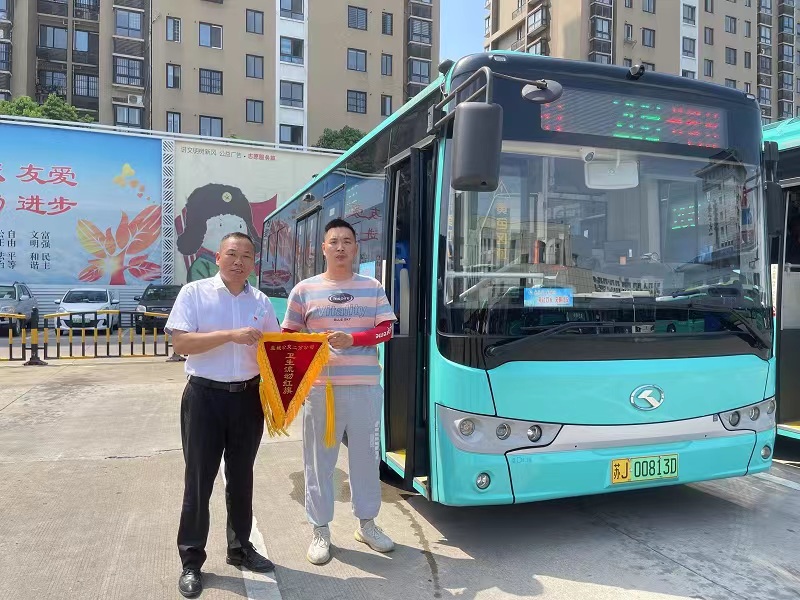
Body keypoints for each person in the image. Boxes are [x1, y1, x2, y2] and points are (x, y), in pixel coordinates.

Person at [166, 231, 278, 598]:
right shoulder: (194, 293)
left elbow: (275, 349)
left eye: (246, 255)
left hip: (247, 399)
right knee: (199, 481)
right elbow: (181, 342)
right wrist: (230, 335)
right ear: (218, 257)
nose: (239, 261)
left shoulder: (261, 301)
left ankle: (240, 548)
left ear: (253, 263)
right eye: (232, 253)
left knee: (242, 478)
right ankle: (191, 561)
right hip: (204, 398)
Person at [281, 218, 397, 565]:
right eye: (334, 241)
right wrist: (310, 345)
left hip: (365, 389)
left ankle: (367, 524)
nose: (341, 247)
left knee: (366, 460)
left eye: (347, 241)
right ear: (323, 248)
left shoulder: (372, 287)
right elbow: (288, 336)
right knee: (319, 463)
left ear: (356, 248)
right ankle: (320, 531)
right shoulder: (304, 290)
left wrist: (354, 339)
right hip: (321, 392)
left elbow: (386, 330)